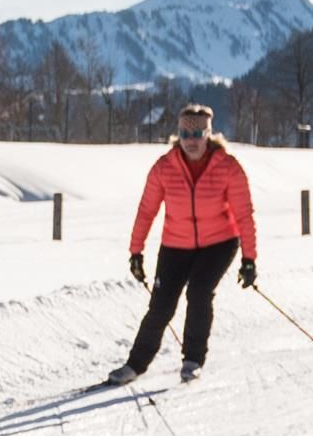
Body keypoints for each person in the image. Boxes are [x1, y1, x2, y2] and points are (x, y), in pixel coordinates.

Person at [106, 101, 259, 386]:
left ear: (208, 135)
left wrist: (249, 259)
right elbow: (146, 210)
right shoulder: (165, 167)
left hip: (219, 243)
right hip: (176, 244)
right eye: (186, 135)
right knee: (161, 304)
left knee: (199, 293)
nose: (191, 141)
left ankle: (193, 360)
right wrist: (136, 252)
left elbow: (244, 215)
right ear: (178, 135)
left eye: (197, 135)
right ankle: (135, 365)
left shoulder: (227, 167)